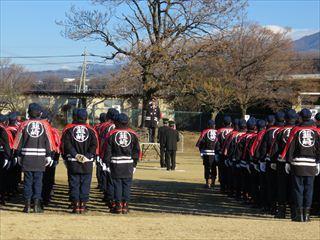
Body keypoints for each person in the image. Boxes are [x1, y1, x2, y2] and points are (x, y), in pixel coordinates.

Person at [13, 103, 55, 213]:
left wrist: (17, 154)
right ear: (39, 113)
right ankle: (36, 205)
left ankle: (27, 205)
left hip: (27, 157)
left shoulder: (24, 124)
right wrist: (49, 155)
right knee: (38, 182)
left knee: (27, 181)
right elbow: (49, 141)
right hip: (40, 158)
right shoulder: (45, 125)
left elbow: (18, 140)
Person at [281, 109, 320, 222]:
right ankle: (307, 214)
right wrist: (318, 161)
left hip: (297, 163)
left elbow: (290, 146)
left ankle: (299, 215)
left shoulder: (296, 129)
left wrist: (288, 161)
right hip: (311, 163)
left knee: (298, 189)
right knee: (309, 189)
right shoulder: (316, 131)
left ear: (301, 118)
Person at [62, 109, 98, 214]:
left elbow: (66, 145)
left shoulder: (68, 129)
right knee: (85, 183)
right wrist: (87, 156)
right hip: (87, 161)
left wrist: (75, 155)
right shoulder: (91, 130)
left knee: (74, 183)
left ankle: (75, 205)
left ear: (74, 117)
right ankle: (83, 205)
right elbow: (94, 145)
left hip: (73, 160)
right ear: (86, 117)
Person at [103, 113, 140, 214]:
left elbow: (107, 150)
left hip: (116, 162)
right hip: (128, 163)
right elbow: (137, 150)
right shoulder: (133, 134)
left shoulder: (111, 134)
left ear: (116, 122)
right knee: (127, 185)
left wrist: (106, 163)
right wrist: (135, 163)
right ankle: (125, 205)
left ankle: (118, 205)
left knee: (117, 185)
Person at [270, 109, 297, 219]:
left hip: (282, 161)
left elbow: (274, 148)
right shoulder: (298, 130)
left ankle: (281, 210)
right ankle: (294, 210)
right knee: (294, 186)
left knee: (282, 186)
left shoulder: (280, 131)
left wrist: (272, 161)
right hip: (295, 162)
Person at [196, 120, 218, 188]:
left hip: (206, 153)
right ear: (214, 125)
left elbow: (199, 143)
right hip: (215, 153)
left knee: (207, 167)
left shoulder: (204, 131)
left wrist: (201, 151)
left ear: (208, 125)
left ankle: (207, 183)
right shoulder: (217, 132)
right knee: (214, 167)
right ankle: (213, 182)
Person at [216, 116, 233, 193]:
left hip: (221, 154)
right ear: (230, 123)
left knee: (222, 171)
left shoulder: (219, 131)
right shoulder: (233, 131)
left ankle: (222, 188)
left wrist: (217, 152)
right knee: (229, 171)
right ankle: (229, 187)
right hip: (230, 155)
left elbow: (216, 143)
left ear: (223, 123)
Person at [0, 115, 14, 205]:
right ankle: (2, 197)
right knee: (2, 177)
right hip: (1, 155)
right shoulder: (3, 130)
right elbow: (6, 144)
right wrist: (8, 157)